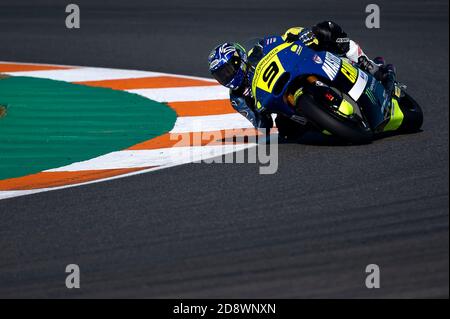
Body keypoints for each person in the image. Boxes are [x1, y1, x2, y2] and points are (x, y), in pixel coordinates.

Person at [208, 21, 396, 140]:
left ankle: (368, 64)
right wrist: (261, 114)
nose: (227, 77)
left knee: (325, 30)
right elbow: (261, 126)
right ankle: (327, 122)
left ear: (238, 59)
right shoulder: (237, 98)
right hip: (283, 103)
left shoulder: (256, 51)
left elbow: (285, 36)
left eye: (228, 70)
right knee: (287, 131)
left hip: (298, 68)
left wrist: (303, 33)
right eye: (221, 76)